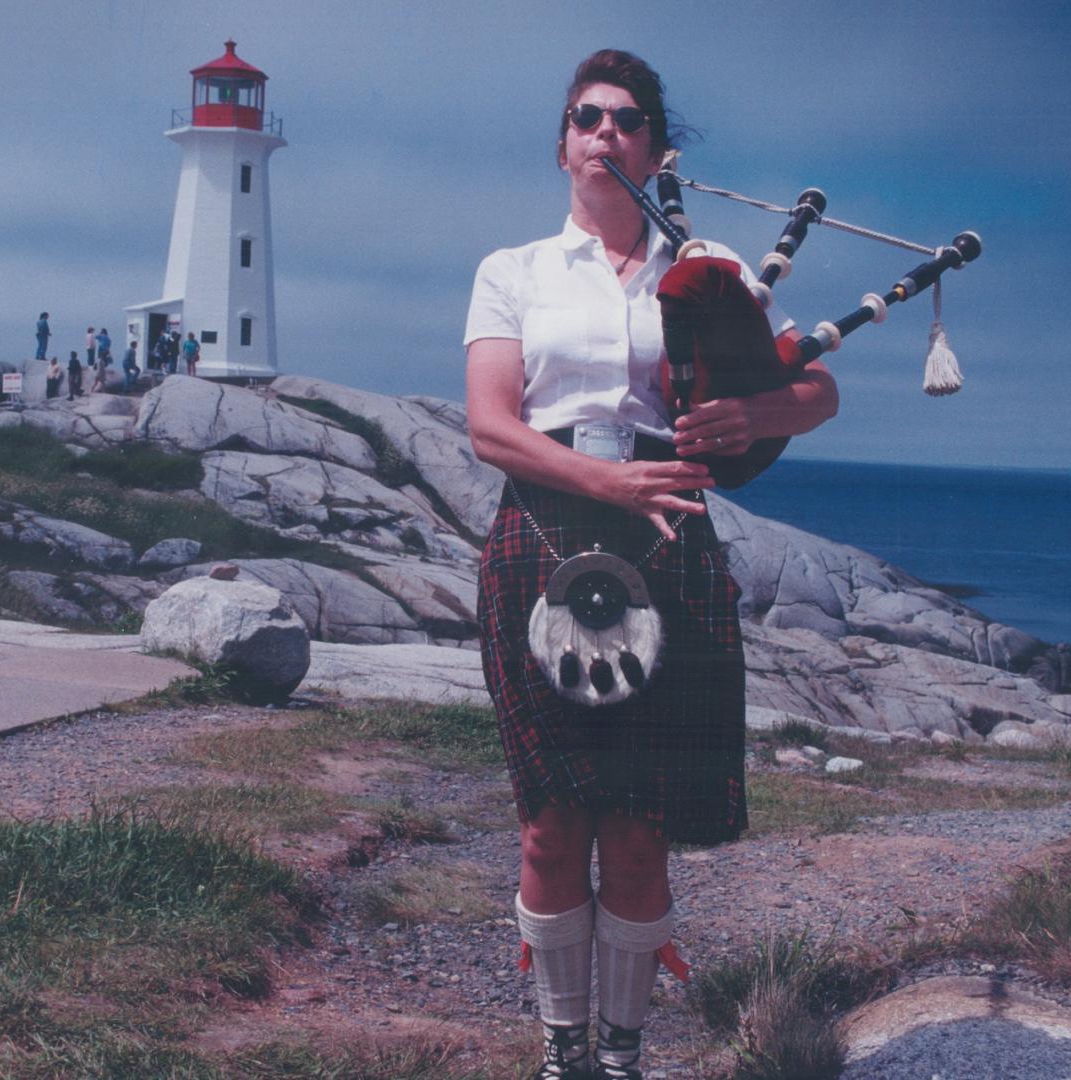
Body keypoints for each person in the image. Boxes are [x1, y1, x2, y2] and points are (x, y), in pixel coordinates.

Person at [464, 50, 838, 1080]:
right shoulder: (514, 271)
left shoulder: (704, 268)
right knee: (550, 826)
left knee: (636, 828)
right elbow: (492, 427)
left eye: (625, 120)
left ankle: (621, 1057)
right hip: (538, 531)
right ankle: (562, 1052)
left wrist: (749, 411)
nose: (603, 134)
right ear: (562, 145)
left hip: (667, 539)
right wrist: (608, 487)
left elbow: (814, 396)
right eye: (586, 118)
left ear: (655, 148)